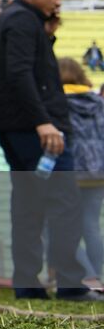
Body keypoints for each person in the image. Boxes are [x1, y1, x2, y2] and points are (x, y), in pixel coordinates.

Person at [0, 0, 102, 302]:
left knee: (28, 205)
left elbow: (26, 68)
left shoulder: (18, 20)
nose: (57, 0)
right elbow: (20, 74)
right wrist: (43, 122)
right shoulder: (21, 20)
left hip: (17, 127)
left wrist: (47, 33)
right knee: (65, 203)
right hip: (36, 129)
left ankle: (28, 284)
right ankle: (70, 283)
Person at [61, 57, 104, 285]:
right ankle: (96, 276)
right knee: (91, 225)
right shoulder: (98, 102)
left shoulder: (57, 102)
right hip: (98, 172)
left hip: (71, 170)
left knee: (60, 225)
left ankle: (86, 275)